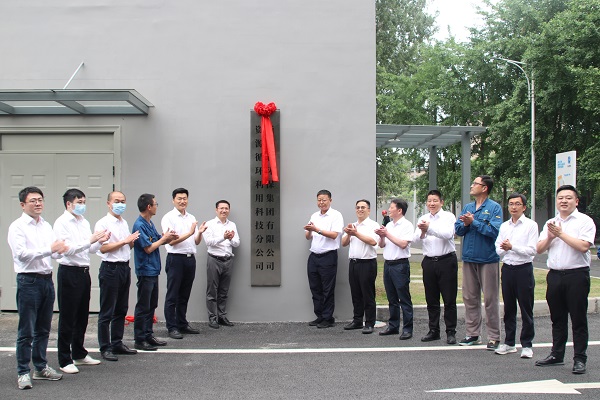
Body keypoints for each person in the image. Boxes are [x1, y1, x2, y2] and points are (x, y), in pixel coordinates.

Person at [8, 187, 68, 390]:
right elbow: (21, 254)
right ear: (22, 204)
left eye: (40, 199)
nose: (38, 203)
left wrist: (60, 250)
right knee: (27, 330)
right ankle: (23, 372)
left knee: (43, 328)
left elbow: (53, 253)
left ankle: (40, 367)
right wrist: (50, 249)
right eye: (33, 200)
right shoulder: (17, 227)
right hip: (29, 281)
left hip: (46, 280)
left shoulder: (45, 225)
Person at [535, 185, 596, 374]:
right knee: (557, 318)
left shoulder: (584, 221)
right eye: (560, 198)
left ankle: (580, 359)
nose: (564, 201)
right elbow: (539, 249)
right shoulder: (551, 222)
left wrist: (560, 234)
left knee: (578, 319)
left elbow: (584, 246)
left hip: (576, 275)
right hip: (555, 275)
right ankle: (557, 354)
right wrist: (550, 237)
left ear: (576, 201)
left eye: (568, 198)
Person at [53, 189, 110, 374]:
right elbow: (67, 250)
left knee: (82, 315)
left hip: (84, 272)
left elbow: (90, 249)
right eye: (79, 202)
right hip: (69, 272)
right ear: (69, 204)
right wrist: (90, 240)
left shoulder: (84, 222)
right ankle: (64, 359)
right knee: (68, 317)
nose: (82, 205)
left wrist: (99, 241)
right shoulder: (61, 223)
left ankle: (79, 353)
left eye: (84, 202)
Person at [454, 175, 502, 350]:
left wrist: (473, 222)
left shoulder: (494, 208)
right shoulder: (468, 207)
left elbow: (494, 231)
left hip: (488, 258)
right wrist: (467, 224)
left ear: (484, 188)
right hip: (469, 258)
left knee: (490, 298)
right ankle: (473, 334)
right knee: (470, 297)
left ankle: (494, 336)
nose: (472, 186)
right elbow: (458, 229)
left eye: (475, 183)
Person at [94, 191, 140, 362]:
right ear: (108, 203)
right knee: (107, 310)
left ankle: (117, 342)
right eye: (117, 201)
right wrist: (124, 241)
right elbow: (103, 248)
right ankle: (105, 347)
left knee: (121, 308)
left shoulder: (124, 222)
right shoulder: (103, 223)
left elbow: (126, 246)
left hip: (124, 268)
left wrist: (131, 242)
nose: (120, 204)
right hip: (110, 268)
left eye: (123, 201)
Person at [494, 193, 538, 358]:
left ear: (524, 207)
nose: (513, 207)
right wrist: (505, 249)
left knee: (526, 307)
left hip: (523, 269)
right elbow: (498, 248)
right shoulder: (504, 226)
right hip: (507, 269)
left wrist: (512, 247)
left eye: (517, 204)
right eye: (511, 204)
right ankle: (509, 342)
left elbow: (532, 250)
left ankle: (527, 344)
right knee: (509, 308)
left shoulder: (531, 225)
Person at [132, 194, 178, 351]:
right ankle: (140, 338)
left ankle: (148, 335)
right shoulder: (139, 225)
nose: (157, 206)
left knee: (151, 305)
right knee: (143, 306)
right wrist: (163, 240)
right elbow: (148, 248)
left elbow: (158, 239)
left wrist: (168, 237)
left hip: (153, 270)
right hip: (145, 270)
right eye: (155, 204)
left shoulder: (149, 223)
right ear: (148, 207)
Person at [412, 190, 458, 345]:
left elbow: (448, 234)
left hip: (446, 261)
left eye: (435, 200)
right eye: (429, 201)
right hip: (429, 262)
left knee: (449, 298)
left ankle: (450, 331)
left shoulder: (448, 217)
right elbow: (415, 240)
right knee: (431, 298)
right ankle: (433, 330)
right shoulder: (423, 218)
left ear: (441, 202)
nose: (431, 203)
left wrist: (429, 229)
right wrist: (422, 232)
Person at [160, 188, 206, 339]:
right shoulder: (168, 217)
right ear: (173, 200)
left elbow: (196, 241)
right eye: (179, 198)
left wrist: (199, 232)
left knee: (184, 294)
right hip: (176, 259)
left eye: (185, 198)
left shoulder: (191, 217)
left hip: (190, 259)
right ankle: (171, 327)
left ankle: (182, 323)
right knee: (172, 294)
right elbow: (170, 242)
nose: (182, 201)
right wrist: (190, 233)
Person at [303, 190, 344, 328]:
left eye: (324, 200)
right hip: (314, 256)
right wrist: (309, 230)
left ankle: (328, 318)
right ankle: (319, 316)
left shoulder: (336, 215)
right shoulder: (314, 215)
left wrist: (317, 229)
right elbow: (307, 236)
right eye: (319, 200)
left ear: (330, 200)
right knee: (315, 287)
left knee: (328, 289)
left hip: (328, 256)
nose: (321, 202)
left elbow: (334, 235)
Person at [375, 198, 414, 340]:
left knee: (404, 298)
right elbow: (382, 245)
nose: (389, 210)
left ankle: (408, 329)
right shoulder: (389, 225)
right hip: (388, 264)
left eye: (391, 207)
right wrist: (382, 236)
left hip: (400, 265)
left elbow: (403, 244)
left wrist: (387, 234)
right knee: (391, 298)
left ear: (399, 210)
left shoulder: (407, 225)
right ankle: (393, 326)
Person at [341, 199, 380, 334]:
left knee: (367, 294)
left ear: (369, 210)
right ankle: (357, 320)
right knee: (356, 293)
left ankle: (369, 322)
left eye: (363, 207)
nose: (360, 210)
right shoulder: (353, 225)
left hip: (367, 263)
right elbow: (343, 243)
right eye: (358, 207)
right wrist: (349, 233)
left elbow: (373, 241)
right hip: (354, 263)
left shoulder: (373, 225)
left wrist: (356, 233)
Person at [203, 200, 240, 329]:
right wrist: (223, 237)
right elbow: (209, 242)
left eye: (226, 208)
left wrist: (231, 238)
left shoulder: (232, 224)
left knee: (224, 291)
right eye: (221, 208)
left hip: (228, 260)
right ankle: (212, 318)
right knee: (212, 291)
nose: (224, 210)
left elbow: (237, 243)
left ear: (229, 210)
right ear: (216, 210)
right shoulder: (209, 224)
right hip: (214, 259)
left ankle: (222, 316)